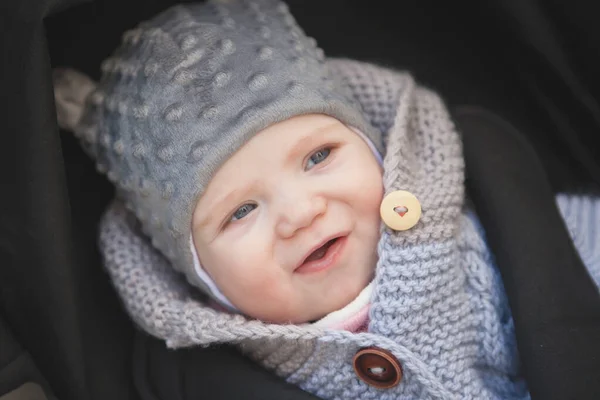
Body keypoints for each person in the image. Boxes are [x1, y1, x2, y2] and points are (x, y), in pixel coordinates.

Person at [52, 0, 600, 398]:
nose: (300, 214)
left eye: (318, 157)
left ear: (378, 150)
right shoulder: (215, 377)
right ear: (200, 277)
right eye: (241, 211)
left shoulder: (487, 235)